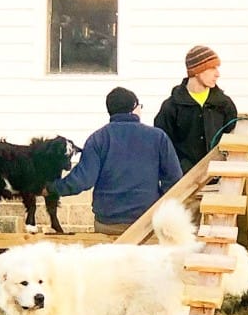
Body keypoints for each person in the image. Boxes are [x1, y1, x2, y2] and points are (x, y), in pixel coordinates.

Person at [44, 87, 182, 235]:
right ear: (134, 107)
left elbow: (82, 180)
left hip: (108, 225)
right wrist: (161, 207)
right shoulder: (158, 137)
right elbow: (175, 179)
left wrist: (51, 188)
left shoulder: (98, 139)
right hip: (148, 224)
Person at [154, 45, 238, 173]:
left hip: (218, 180)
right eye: (212, 68)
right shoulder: (171, 107)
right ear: (197, 71)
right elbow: (163, 146)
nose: (217, 74)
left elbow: (234, 141)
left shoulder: (224, 104)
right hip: (184, 182)